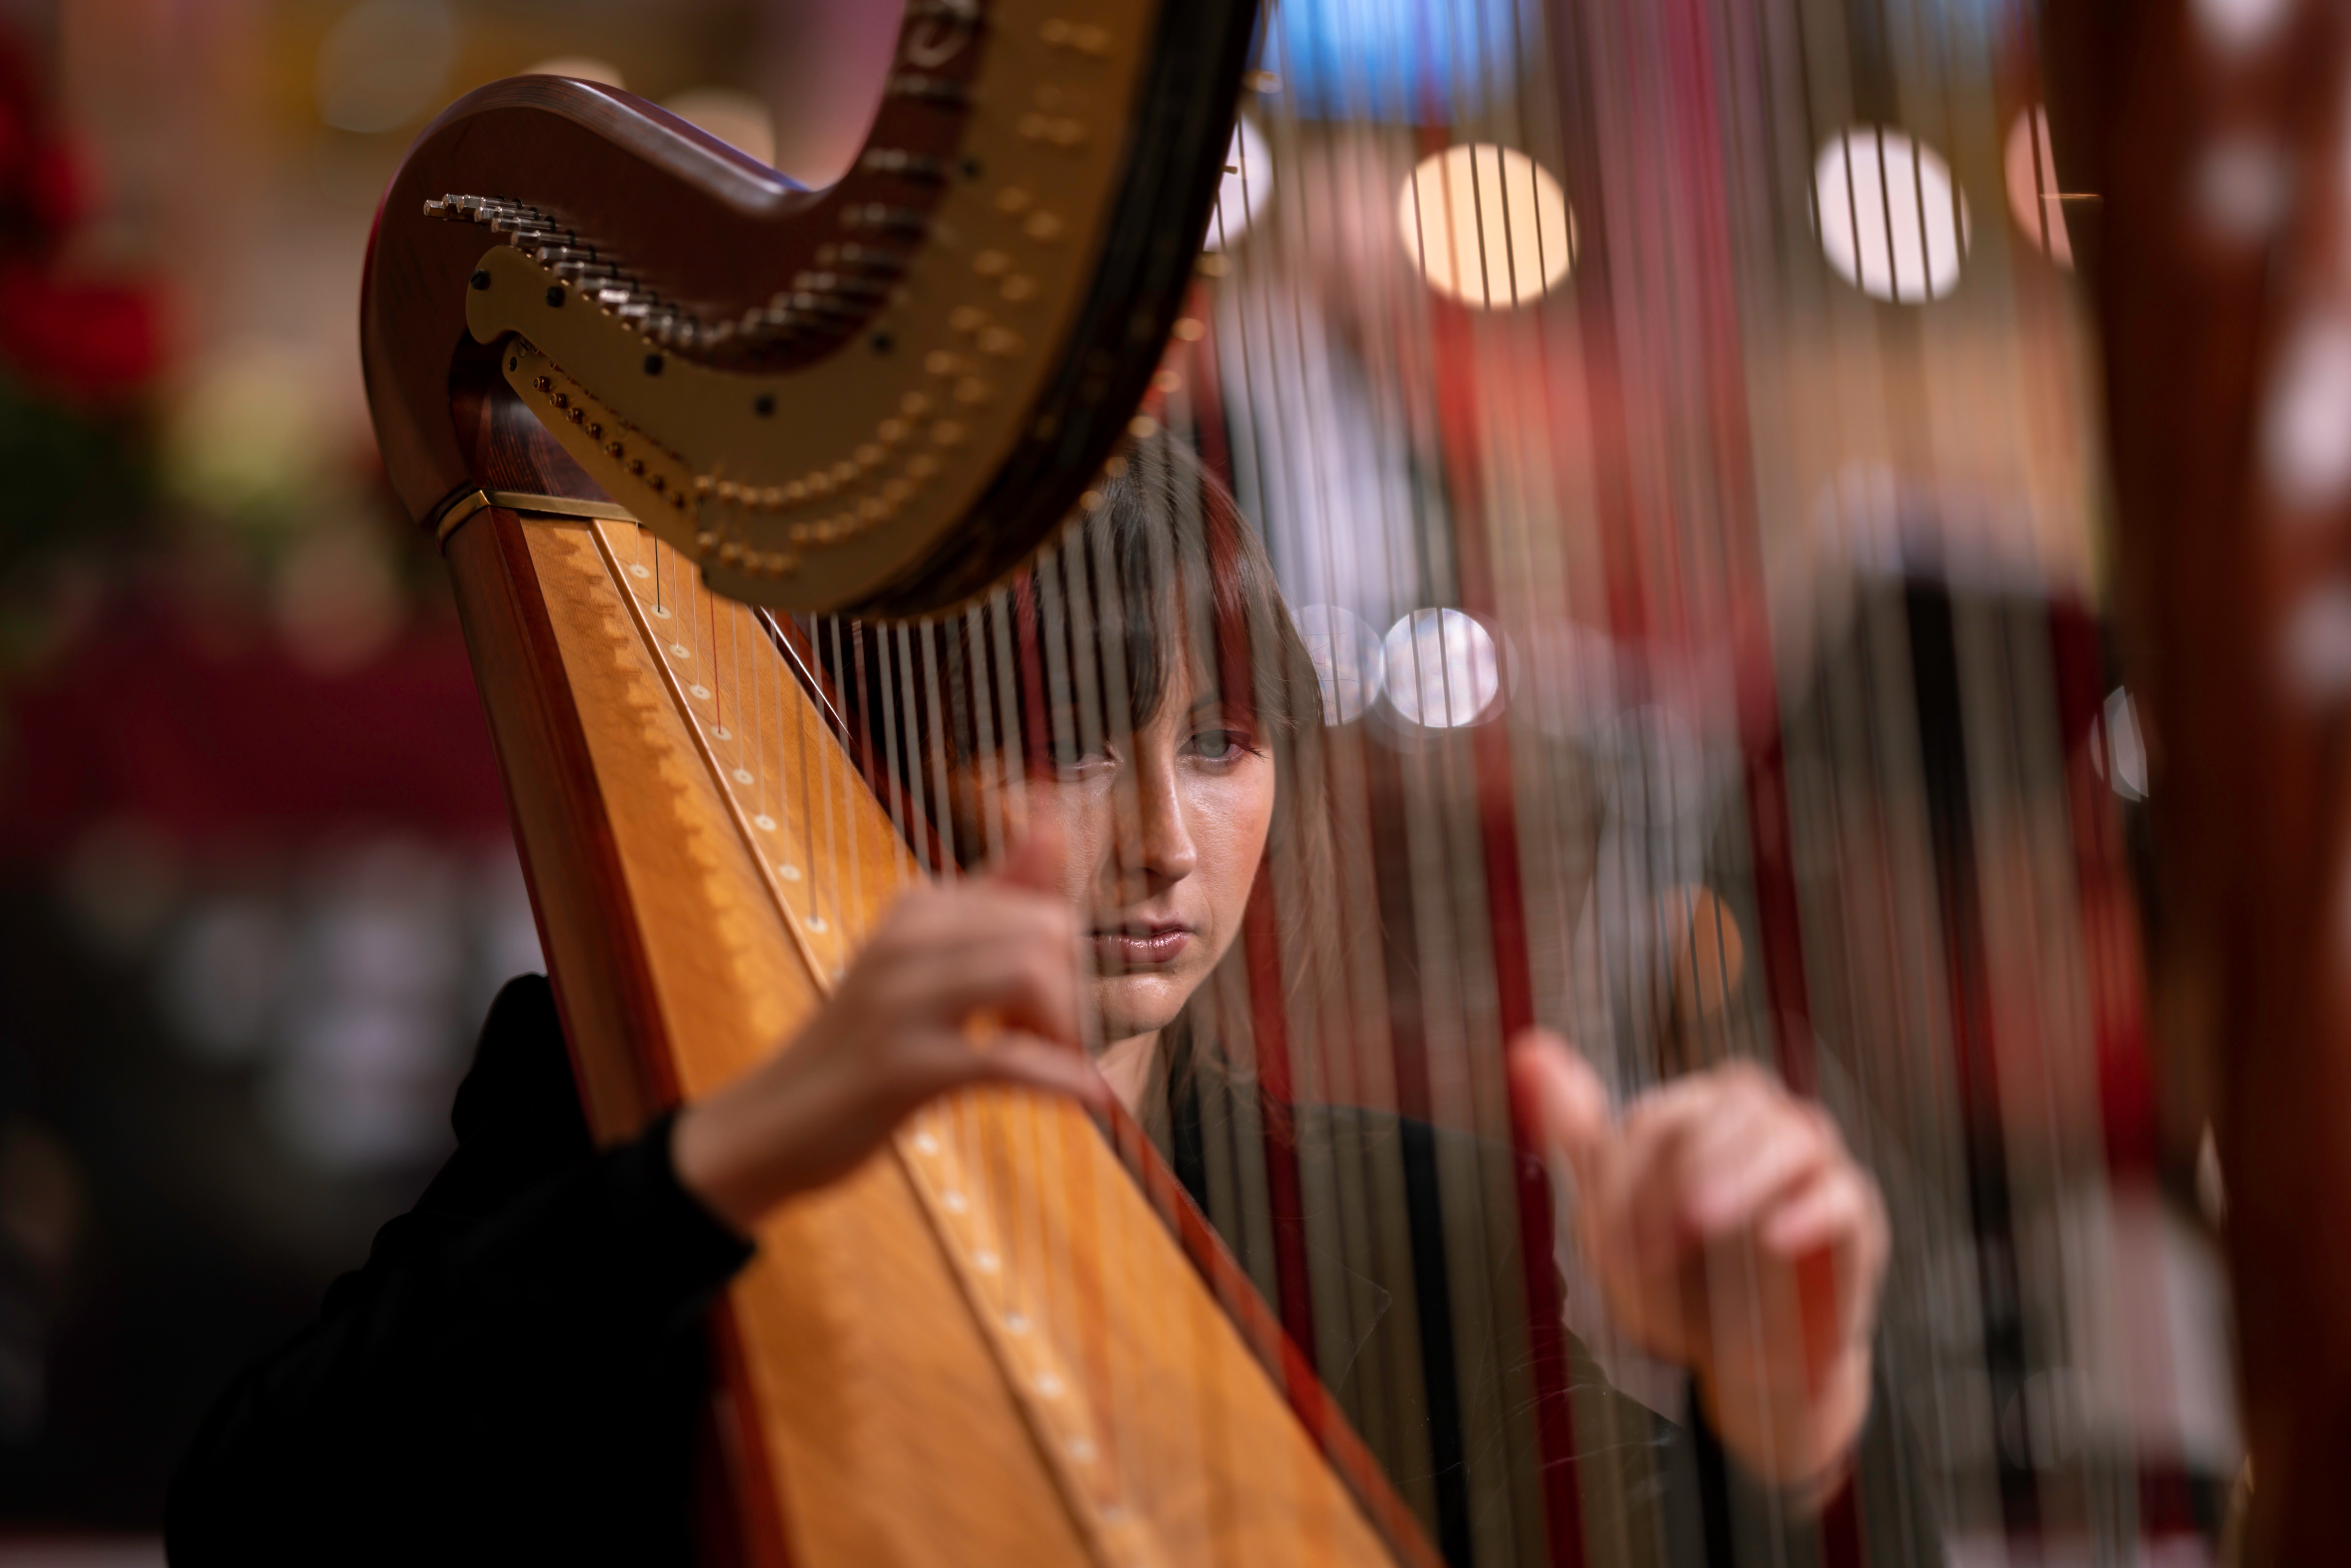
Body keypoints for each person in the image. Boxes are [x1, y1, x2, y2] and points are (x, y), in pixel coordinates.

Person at [167, 442, 1914, 1566]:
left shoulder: (1413, 1210)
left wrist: (1794, 1416)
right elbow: (252, 1524)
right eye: (1075, 747)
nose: (1165, 842)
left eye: (1223, 744)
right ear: (884, 764)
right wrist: (731, 1163)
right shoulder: (616, 1102)